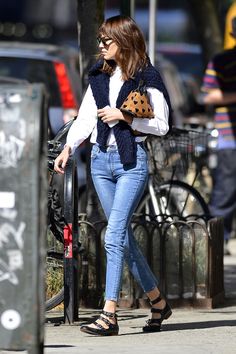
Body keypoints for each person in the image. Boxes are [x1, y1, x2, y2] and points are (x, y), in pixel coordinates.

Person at [54, 15, 172, 335]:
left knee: (113, 236)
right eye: (100, 41)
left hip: (130, 161)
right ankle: (158, 302)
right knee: (122, 238)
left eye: (107, 40)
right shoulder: (100, 77)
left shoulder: (147, 77)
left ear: (124, 41)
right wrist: (68, 147)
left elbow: (161, 124)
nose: (101, 46)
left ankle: (109, 313)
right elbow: (85, 118)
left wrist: (125, 117)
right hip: (99, 161)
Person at [201, 17, 236, 255]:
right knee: (226, 191)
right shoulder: (221, 60)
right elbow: (209, 96)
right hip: (228, 137)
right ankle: (216, 244)